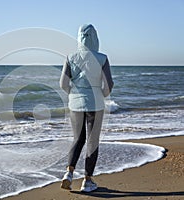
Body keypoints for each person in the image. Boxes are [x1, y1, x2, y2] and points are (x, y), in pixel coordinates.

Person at [59, 24, 114, 192]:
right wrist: (101, 94)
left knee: (78, 139)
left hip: (75, 104)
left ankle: (69, 173)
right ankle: (87, 181)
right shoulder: (102, 58)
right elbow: (109, 84)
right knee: (92, 142)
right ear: (95, 38)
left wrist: (74, 94)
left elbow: (63, 84)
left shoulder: (70, 57)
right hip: (95, 104)